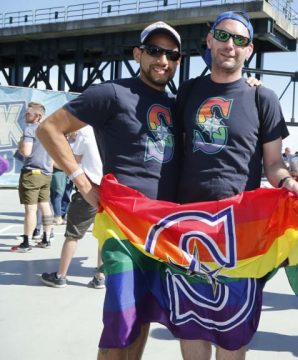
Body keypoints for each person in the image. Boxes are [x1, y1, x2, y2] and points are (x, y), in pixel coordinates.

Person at [37, 21, 182, 360]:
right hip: (124, 225)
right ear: (138, 54)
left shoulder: (177, 103)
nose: (163, 60)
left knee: (143, 314)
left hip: (164, 227)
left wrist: (250, 84)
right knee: (122, 319)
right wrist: (84, 183)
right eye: (154, 51)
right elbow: (49, 129)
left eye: (171, 54)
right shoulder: (112, 93)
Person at [175, 11, 298, 360]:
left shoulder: (264, 98)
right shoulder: (187, 92)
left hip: (240, 229)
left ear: (249, 50)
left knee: (233, 328)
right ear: (210, 40)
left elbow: (273, 164)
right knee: (192, 320)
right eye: (223, 36)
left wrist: (289, 182)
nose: (231, 45)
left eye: (241, 40)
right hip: (189, 226)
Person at [40, 126, 105, 289]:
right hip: (109, 189)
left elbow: (72, 161)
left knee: (72, 235)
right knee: (104, 235)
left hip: (88, 189)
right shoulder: (111, 130)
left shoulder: (86, 130)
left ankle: (61, 276)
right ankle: (100, 276)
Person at [11, 102, 55, 252]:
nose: (25, 116)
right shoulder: (50, 130)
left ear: (38, 116)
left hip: (31, 174)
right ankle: (46, 238)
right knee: (45, 206)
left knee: (30, 210)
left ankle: (26, 243)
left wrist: (21, 145)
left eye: (28, 113)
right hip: (46, 173)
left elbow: (27, 152)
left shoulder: (30, 130)